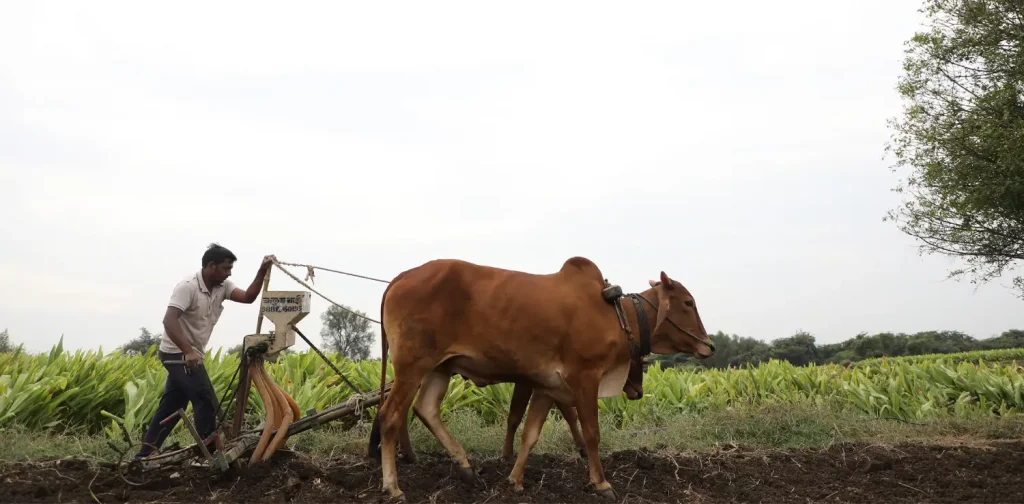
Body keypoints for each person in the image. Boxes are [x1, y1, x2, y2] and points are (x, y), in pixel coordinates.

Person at [134, 243, 275, 460]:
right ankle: (212, 453)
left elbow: (248, 297)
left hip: (192, 355)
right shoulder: (187, 287)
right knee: (204, 398)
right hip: (176, 353)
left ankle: (144, 454)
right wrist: (188, 351)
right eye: (226, 268)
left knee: (173, 405)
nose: (229, 273)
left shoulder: (222, 286)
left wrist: (262, 271)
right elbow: (169, 321)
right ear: (211, 266)